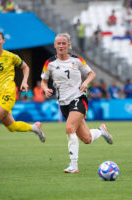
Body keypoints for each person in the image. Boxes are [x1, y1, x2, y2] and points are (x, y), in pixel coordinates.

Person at [41, 33, 113, 173]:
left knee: (69, 128)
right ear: (54, 45)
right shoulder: (49, 63)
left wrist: (85, 83)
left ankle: (73, 166)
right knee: (87, 139)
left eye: (64, 43)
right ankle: (101, 131)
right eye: (58, 43)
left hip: (78, 98)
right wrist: (45, 89)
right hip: (63, 103)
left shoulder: (77, 60)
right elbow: (44, 81)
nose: (61, 46)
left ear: (68, 45)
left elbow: (92, 73)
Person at [0, 31, 45, 163]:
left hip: (8, 93)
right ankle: (34, 128)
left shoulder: (11, 56)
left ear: (3, 41)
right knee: (12, 126)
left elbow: (25, 67)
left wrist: (24, 81)